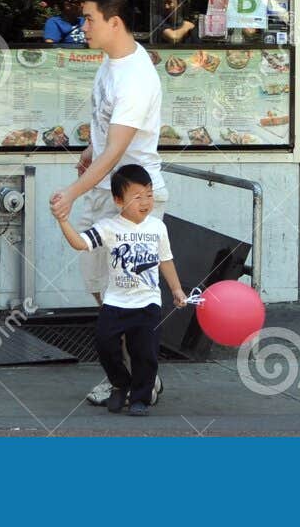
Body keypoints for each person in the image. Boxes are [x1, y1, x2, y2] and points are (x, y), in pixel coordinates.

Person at [50, 0, 171, 405]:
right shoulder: (111, 62)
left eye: (89, 18)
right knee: (105, 289)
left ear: (114, 22)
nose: (82, 25)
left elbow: (117, 151)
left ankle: (139, 380)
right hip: (105, 190)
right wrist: (89, 151)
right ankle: (126, 374)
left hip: (131, 198)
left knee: (129, 296)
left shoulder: (136, 78)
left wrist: (71, 193)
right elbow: (107, 136)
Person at [55, 163, 186, 415]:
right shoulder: (109, 227)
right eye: (137, 197)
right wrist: (63, 221)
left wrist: (177, 290)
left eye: (149, 195)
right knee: (105, 345)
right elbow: (80, 243)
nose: (145, 202)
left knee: (145, 353)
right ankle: (120, 384)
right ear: (118, 200)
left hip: (148, 303)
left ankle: (140, 398)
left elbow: (166, 260)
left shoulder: (157, 227)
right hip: (115, 302)